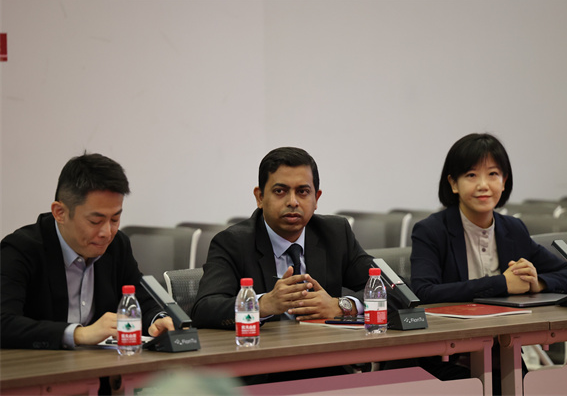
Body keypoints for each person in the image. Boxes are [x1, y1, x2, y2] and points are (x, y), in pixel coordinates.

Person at [192, 146, 396, 330]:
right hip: (263, 354)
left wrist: (344, 305)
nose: (292, 202)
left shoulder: (335, 234)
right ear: (260, 197)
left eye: (303, 192)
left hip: (324, 352)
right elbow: (204, 309)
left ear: (316, 198)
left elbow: (397, 290)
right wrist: (262, 304)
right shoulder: (232, 242)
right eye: (280, 191)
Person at [1, 153, 175, 351]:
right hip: (39, 365)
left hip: (100, 365)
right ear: (60, 213)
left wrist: (158, 320)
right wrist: (79, 334)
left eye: (115, 219)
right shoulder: (21, 250)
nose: (107, 232)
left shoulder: (117, 245)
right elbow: (4, 322)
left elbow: (141, 299)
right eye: (95, 221)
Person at [411, 133, 567, 303]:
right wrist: (502, 283)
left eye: (492, 174)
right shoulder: (431, 231)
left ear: (504, 182)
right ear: (454, 183)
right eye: (471, 175)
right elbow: (423, 292)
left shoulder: (514, 229)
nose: (483, 185)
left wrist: (537, 283)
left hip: (511, 319)